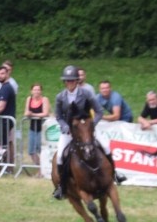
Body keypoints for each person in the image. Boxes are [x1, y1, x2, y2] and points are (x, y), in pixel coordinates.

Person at [52, 65, 101, 199]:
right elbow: (58, 116)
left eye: (72, 80)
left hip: (86, 131)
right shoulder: (60, 97)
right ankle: (62, 186)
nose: (70, 83)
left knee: (105, 147)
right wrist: (64, 127)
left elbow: (99, 112)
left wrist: (91, 126)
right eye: (67, 81)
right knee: (61, 155)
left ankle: (115, 175)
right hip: (68, 132)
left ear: (77, 81)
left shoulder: (86, 94)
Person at [23, 83, 50, 176]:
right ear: (31, 91)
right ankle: (39, 167)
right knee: (31, 151)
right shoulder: (29, 99)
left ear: (41, 91)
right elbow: (26, 112)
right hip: (32, 128)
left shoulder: (44, 99)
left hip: (42, 128)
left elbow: (45, 113)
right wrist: (29, 114)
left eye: (38, 90)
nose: (36, 92)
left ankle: (42, 171)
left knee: (41, 150)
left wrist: (33, 115)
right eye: (35, 90)